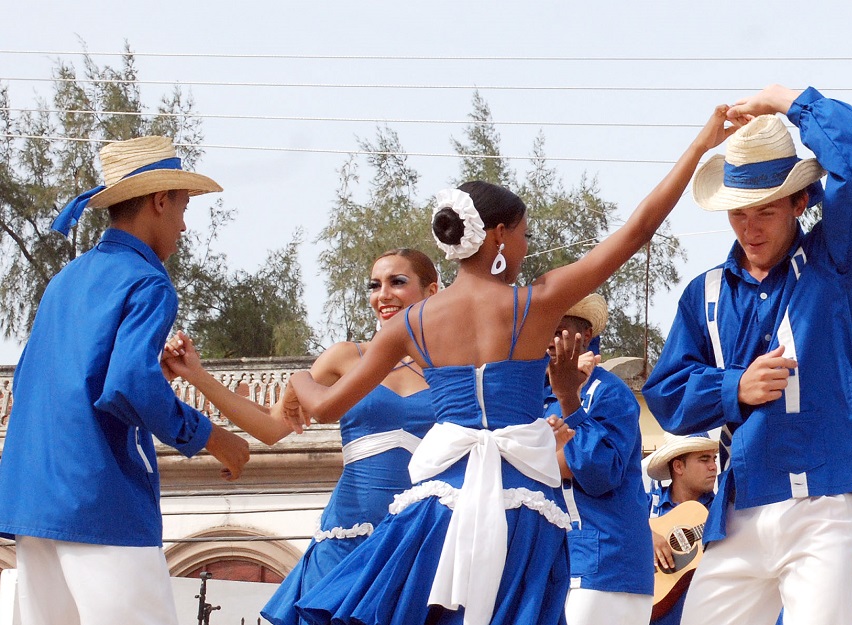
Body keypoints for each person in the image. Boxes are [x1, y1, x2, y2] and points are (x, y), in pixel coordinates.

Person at [281, 105, 731, 625]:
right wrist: (699, 146)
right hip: (523, 500)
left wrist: (299, 380)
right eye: (522, 233)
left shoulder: (413, 323)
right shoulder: (533, 305)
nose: (525, 244)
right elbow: (636, 230)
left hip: (438, 502)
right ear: (497, 235)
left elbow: (324, 406)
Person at [641, 85, 852, 625]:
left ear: (800, 202)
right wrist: (735, 387)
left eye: (764, 211)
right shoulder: (703, 293)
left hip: (824, 501)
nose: (748, 228)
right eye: (737, 212)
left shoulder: (834, 260)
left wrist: (785, 100)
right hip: (740, 504)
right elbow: (665, 392)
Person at [0, 136, 251, 625]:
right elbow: (129, 384)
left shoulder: (66, 280)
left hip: (34, 499)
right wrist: (214, 437)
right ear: (159, 201)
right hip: (101, 498)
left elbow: (48, 379)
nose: (182, 226)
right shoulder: (147, 280)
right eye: (182, 210)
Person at [172, 249, 442, 625]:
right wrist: (197, 375)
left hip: (421, 532)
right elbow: (270, 427)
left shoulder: (454, 365)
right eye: (374, 285)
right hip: (348, 532)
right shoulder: (345, 357)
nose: (383, 294)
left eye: (398, 282)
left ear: (432, 291)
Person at [545, 293, 654, 624]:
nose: (549, 339)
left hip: (606, 564)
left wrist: (570, 403)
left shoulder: (608, 392)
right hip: (562, 564)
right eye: (543, 329)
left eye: (558, 330)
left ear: (585, 336)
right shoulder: (540, 394)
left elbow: (598, 473)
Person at [646, 434, 721, 625]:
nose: (713, 467)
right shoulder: (647, 505)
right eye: (704, 460)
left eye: (714, 459)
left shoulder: (723, 510)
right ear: (678, 466)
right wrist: (646, 534)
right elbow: (615, 526)